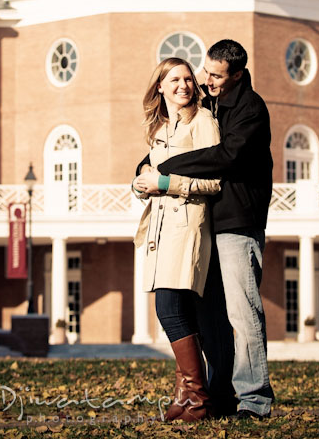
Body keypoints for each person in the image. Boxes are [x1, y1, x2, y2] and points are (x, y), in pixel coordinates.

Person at [137, 39, 274, 420]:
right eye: (206, 71)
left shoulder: (250, 109)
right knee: (209, 313)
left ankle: (255, 400)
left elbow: (224, 158)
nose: (204, 81)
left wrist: (165, 173)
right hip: (206, 223)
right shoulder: (210, 102)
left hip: (237, 221)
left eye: (215, 75)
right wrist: (144, 169)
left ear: (238, 75)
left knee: (242, 312)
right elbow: (165, 152)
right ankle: (214, 395)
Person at [132, 57, 221, 422]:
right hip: (160, 228)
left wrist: (165, 183)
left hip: (188, 226)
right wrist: (142, 185)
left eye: (188, 78)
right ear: (160, 87)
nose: (184, 85)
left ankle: (198, 398)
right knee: (176, 312)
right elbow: (152, 175)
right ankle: (185, 396)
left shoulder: (203, 122)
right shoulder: (160, 129)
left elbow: (215, 182)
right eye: (174, 79)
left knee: (169, 309)